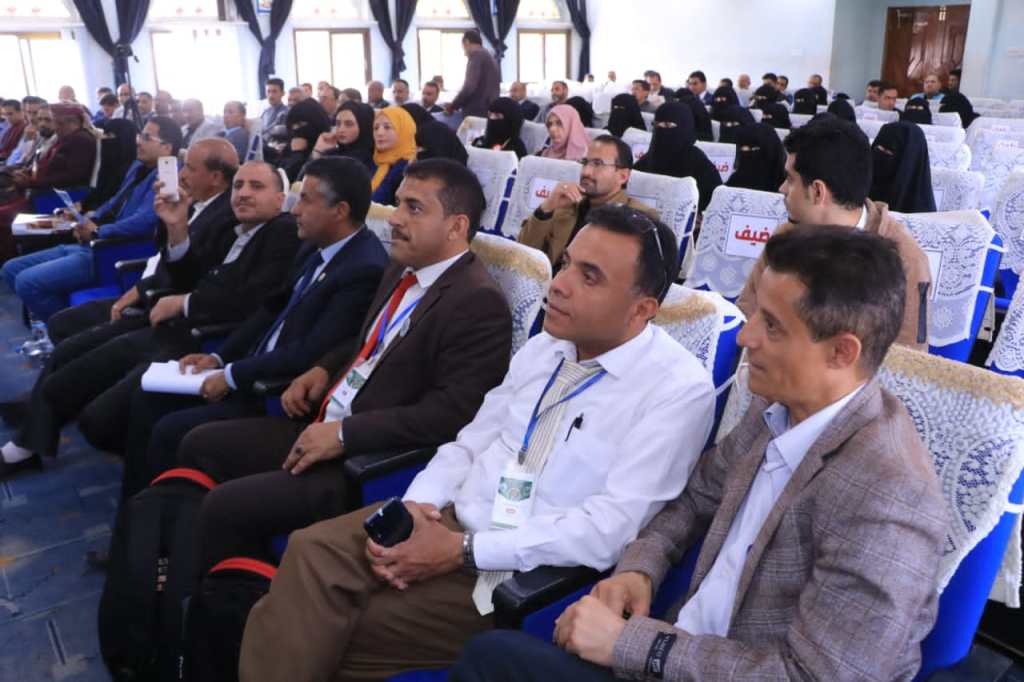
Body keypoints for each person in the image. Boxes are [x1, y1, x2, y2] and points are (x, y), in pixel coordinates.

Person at [238, 202, 717, 681]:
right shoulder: (545, 346)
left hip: (510, 572)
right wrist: (419, 507)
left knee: (309, 624)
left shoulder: (676, 390)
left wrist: (462, 549)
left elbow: (607, 530)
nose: (559, 284)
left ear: (642, 309)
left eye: (589, 277)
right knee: (309, 551)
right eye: (567, 264)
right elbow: (470, 442)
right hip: (446, 519)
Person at [450, 225, 946, 682]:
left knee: (487, 661)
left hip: (695, 663)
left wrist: (634, 645)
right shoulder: (776, 409)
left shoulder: (889, 497)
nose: (746, 337)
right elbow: (693, 501)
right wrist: (641, 567)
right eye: (756, 313)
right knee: (491, 658)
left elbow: (815, 677)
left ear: (841, 352)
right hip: (682, 653)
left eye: (773, 326)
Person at [171, 159, 514, 577]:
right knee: (198, 442)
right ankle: (182, 572)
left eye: (414, 208)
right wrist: (323, 367)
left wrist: (344, 434)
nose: (396, 218)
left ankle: (234, 596)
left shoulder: (478, 302)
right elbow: (368, 341)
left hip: (364, 460)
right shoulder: (401, 267)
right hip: (324, 419)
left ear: (456, 227)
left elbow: (451, 414)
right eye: (399, 203)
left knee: (224, 507)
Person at [121, 156, 389, 495]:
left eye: (305, 200)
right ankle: (139, 514)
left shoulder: (363, 268)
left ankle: (159, 519)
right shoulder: (315, 246)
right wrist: (219, 358)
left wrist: (231, 375)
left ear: (340, 210)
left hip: (273, 393)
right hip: (249, 369)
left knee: (171, 430)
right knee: (149, 400)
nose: (295, 210)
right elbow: (269, 310)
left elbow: (308, 351)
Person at [738, 116, 930, 351]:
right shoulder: (786, 238)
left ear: (818, 192)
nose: (782, 189)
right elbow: (747, 316)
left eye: (790, 179)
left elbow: (908, 359)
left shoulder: (905, 262)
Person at [1, 117, 178, 322]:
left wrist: (97, 231)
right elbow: (114, 201)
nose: (138, 141)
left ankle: (67, 329)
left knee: (26, 282)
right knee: (10, 269)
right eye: (140, 135)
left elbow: (145, 220)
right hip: (92, 239)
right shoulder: (138, 166)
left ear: (167, 147)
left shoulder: (168, 178)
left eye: (147, 137)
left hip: (111, 249)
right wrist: (89, 217)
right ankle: (64, 323)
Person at [520, 135, 658, 268]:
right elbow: (524, 256)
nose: (586, 172)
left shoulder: (639, 218)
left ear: (623, 176)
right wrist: (546, 208)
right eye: (585, 162)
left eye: (598, 164)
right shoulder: (567, 205)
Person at [0, 104, 98, 261]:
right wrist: (28, 175)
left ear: (72, 122)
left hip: (58, 199)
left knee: (3, 217)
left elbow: (74, 176)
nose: (55, 127)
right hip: (43, 193)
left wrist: (32, 182)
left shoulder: (81, 140)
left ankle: (10, 262)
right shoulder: (64, 139)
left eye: (57, 123)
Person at [637, 102, 722, 212]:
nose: (661, 130)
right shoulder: (647, 160)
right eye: (657, 125)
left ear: (684, 127)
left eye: (667, 125)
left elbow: (716, 202)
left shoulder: (698, 163)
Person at [869, 121, 935, 214]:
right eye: (878, 148)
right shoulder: (860, 187)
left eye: (888, 151)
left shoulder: (922, 213)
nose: (880, 154)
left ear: (909, 160)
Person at [445, 30, 500, 123]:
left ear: (466, 42)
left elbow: (469, 87)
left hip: (476, 112)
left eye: (464, 48)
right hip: (488, 110)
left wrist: (453, 106)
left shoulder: (476, 55)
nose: (465, 53)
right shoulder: (488, 55)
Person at [370, 106, 418, 205]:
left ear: (404, 130)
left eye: (387, 127)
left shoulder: (409, 168)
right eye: (376, 128)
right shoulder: (375, 161)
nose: (379, 133)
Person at [278, 98, 333, 182]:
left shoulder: (327, 150)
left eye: (300, 124)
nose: (295, 129)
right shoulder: (290, 147)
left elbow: (300, 180)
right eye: (293, 125)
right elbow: (280, 178)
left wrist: (297, 155)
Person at [311, 100, 375, 169]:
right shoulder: (332, 154)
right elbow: (307, 175)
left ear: (364, 126)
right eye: (338, 124)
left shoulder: (373, 160)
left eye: (349, 124)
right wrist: (318, 152)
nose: (341, 129)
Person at [725, 122, 787, 193]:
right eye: (742, 148)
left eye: (754, 148)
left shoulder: (787, 188)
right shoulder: (733, 183)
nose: (746, 154)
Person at [261, 78, 289, 147]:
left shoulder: (287, 112)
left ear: (282, 93)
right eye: (268, 91)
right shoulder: (265, 112)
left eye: (274, 91)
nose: (271, 95)